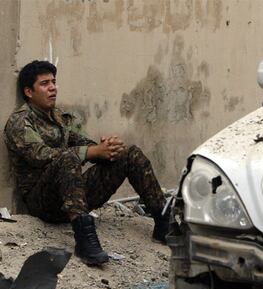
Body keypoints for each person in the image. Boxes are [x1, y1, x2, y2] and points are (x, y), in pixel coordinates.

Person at [3, 60, 169, 265]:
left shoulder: (60, 117)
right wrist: (91, 152)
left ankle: (164, 222)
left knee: (130, 154)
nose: (53, 87)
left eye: (53, 82)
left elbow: (85, 143)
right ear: (29, 92)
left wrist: (106, 148)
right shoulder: (20, 121)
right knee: (66, 156)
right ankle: (84, 240)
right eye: (45, 83)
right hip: (43, 202)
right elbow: (41, 155)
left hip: (73, 196)